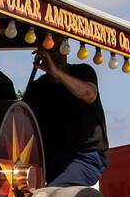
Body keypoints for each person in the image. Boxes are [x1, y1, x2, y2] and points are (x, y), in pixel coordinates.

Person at [24, 38, 108, 187]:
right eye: (51, 51)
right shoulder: (37, 89)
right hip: (51, 159)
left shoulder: (83, 71)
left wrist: (56, 73)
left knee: (51, 193)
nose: (57, 56)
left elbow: (89, 95)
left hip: (85, 157)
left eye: (61, 50)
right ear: (42, 55)